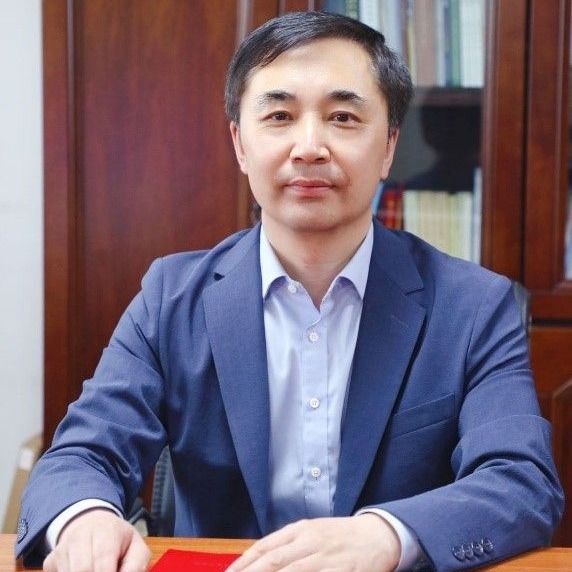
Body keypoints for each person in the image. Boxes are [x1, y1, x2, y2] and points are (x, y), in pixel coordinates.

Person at [17, 10, 563, 572]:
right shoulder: (171, 299)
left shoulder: (474, 306)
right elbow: (79, 457)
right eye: (279, 116)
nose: (309, 147)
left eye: (343, 117)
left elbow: (520, 481)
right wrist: (84, 519)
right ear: (240, 144)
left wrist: (386, 536)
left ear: (388, 147)